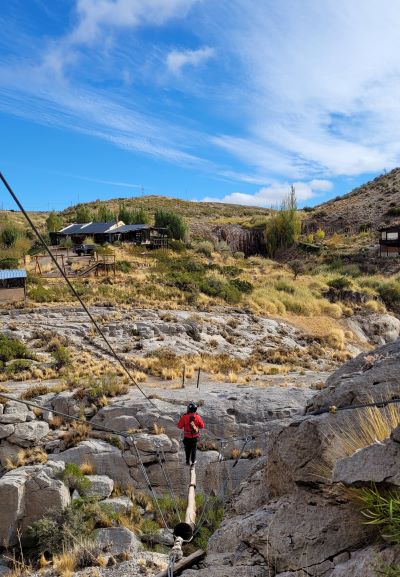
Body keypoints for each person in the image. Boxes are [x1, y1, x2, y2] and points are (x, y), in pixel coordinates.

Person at [177, 401, 205, 466]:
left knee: (187, 449)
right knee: (194, 449)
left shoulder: (184, 417)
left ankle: (187, 461)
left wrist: (181, 420)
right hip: (195, 436)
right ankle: (193, 461)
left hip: (187, 436)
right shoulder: (198, 417)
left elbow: (179, 426)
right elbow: (202, 426)